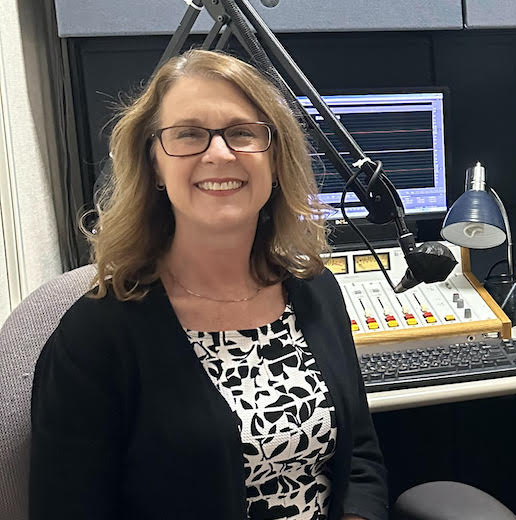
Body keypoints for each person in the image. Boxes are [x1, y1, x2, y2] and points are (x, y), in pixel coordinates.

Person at [29, 50, 387, 520]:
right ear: (154, 164)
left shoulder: (314, 290)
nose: (219, 153)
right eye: (189, 135)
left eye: (242, 133)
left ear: (275, 160)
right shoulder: (95, 335)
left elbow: (359, 452)